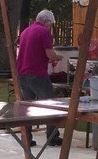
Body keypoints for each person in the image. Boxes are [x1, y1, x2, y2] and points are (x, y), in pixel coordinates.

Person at [16, 9, 63, 146]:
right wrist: (58, 57)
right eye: (51, 24)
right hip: (37, 74)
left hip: (22, 73)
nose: (50, 27)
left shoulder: (25, 31)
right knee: (50, 105)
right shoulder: (44, 32)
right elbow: (50, 55)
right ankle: (52, 137)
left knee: (27, 107)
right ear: (46, 21)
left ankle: (26, 138)